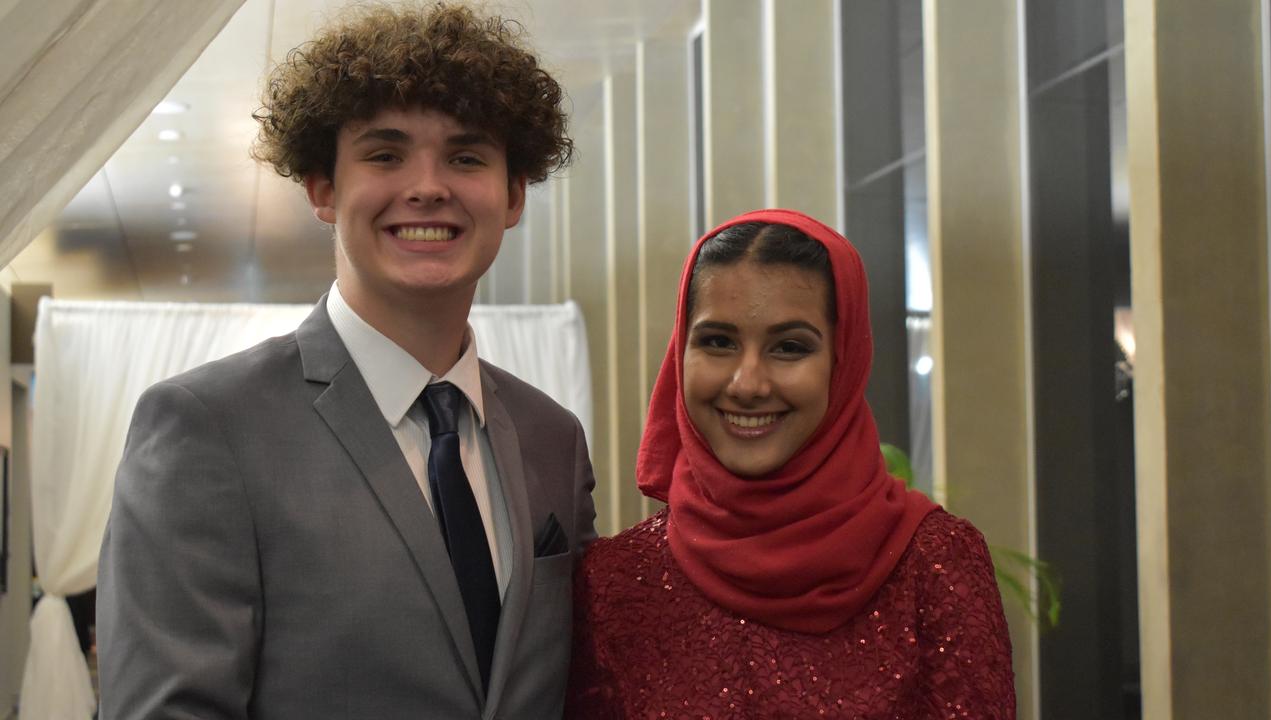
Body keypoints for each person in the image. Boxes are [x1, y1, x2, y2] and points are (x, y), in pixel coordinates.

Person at [96, 4, 596, 718]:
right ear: (322, 188)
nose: (428, 186)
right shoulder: (207, 429)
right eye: (386, 154)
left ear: (513, 194)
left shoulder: (555, 438)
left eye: (465, 155)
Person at [566, 209, 1015, 718]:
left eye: (789, 347)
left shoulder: (936, 566)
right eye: (718, 342)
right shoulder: (615, 583)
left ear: (842, 363)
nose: (748, 384)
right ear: (679, 355)